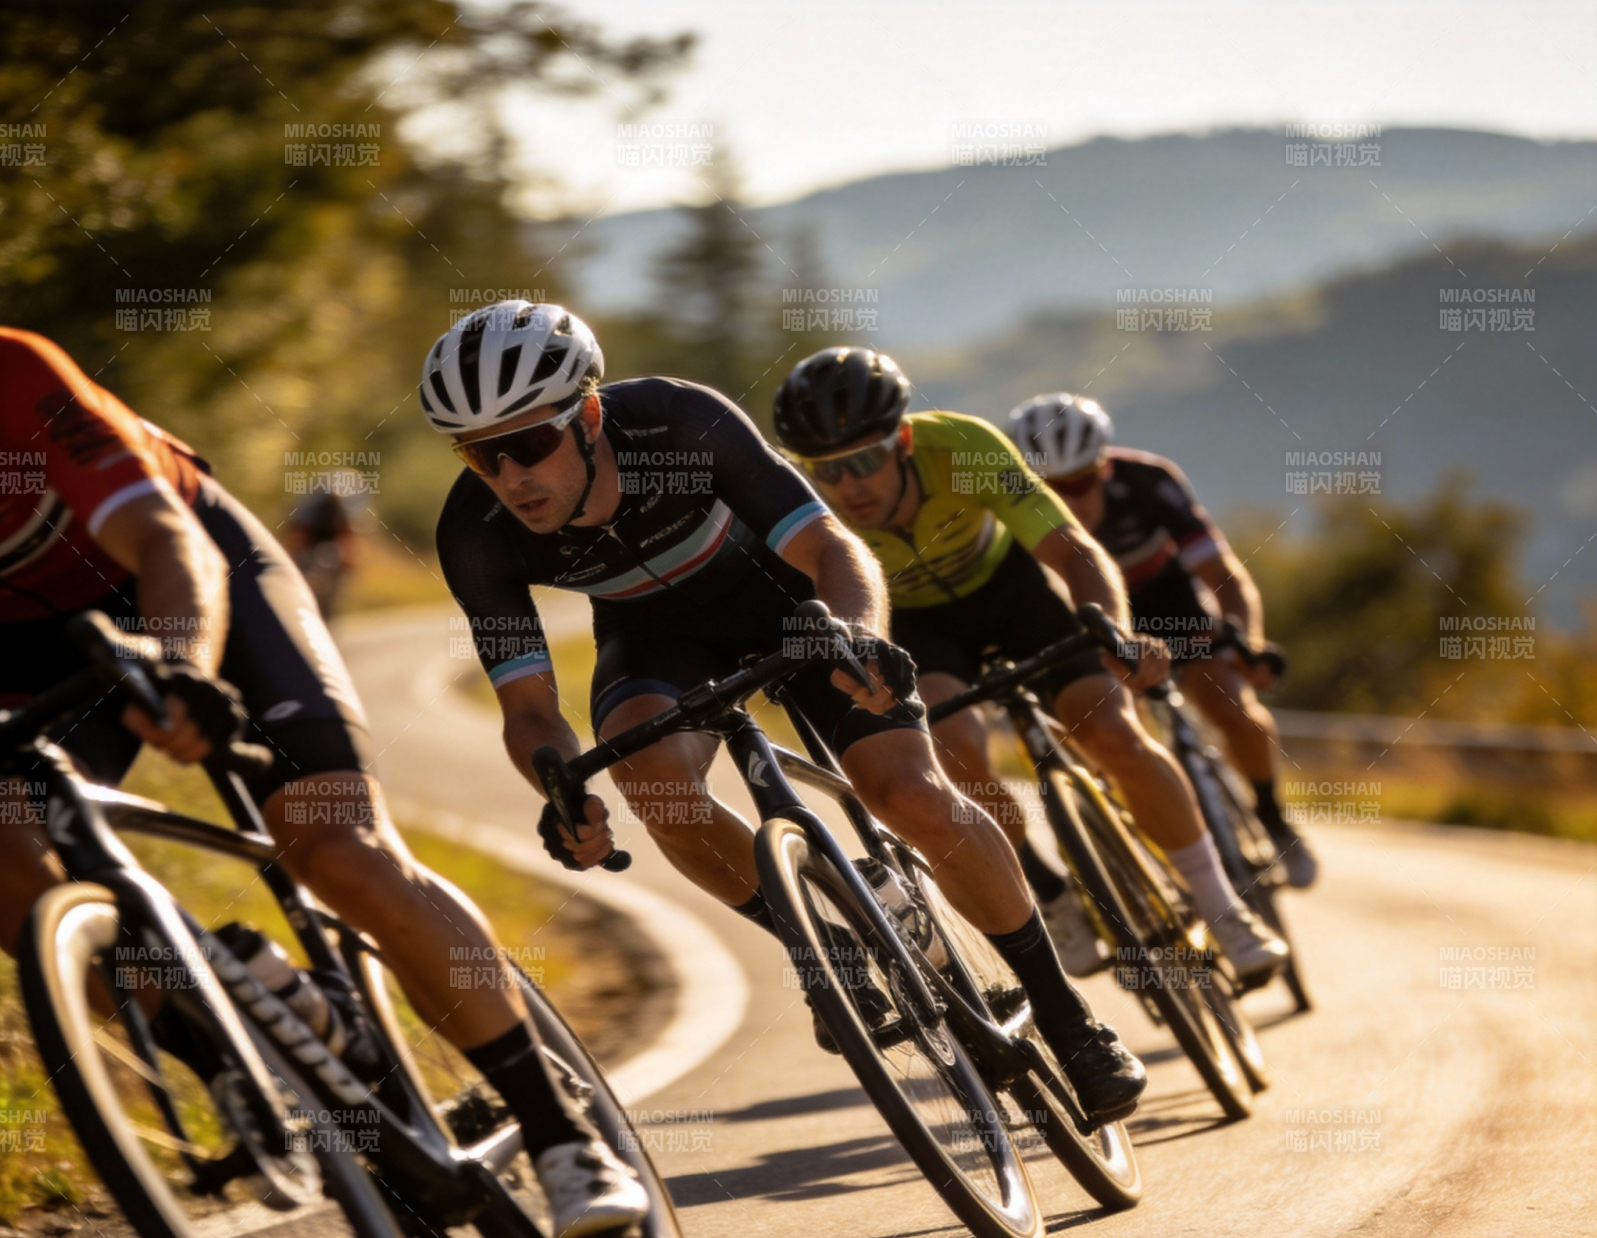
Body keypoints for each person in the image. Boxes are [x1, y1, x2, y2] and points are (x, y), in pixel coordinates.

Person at [0, 326, 644, 1238]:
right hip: (24, 652)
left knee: (336, 847)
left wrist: (184, 667)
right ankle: (231, 1047)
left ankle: (560, 1133)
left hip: (183, 574)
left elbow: (166, 540)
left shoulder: (12, 372)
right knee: (5, 865)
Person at [425, 301, 1147, 1127]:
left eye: (529, 442)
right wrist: (558, 785)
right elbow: (528, 709)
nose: (511, 475)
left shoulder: (676, 420)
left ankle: (1068, 1020)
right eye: (482, 454)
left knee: (906, 792)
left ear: (587, 414)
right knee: (649, 777)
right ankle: (823, 948)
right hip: (654, 640)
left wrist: (862, 641)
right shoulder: (474, 528)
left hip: (793, 608)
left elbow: (835, 549)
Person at [771, 348, 1287, 984]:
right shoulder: (799, 501)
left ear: (902, 439)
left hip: (1012, 594)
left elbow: (1074, 550)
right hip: (918, 626)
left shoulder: (963, 446)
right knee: (954, 750)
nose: (850, 485)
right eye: (828, 471)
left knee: (1111, 732)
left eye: (865, 459)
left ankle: (1222, 907)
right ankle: (1051, 893)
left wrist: (1113, 632)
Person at [1007, 392, 1318, 889]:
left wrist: (1249, 644)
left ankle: (1272, 818)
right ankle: (1167, 844)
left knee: (1229, 703)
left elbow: (1224, 574)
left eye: (1080, 483)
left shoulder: (1150, 481)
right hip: (1092, 616)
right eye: (1050, 488)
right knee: (1119, 734)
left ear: (1104, 468)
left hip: (1169, 601)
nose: (1069, 501)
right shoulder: (1012, 507)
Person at [281, 486, 360, 621]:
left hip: (324, 550)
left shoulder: (318, 511)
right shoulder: (309, 512)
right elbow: (298, 536)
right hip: (312, 550)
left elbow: (345, 536)